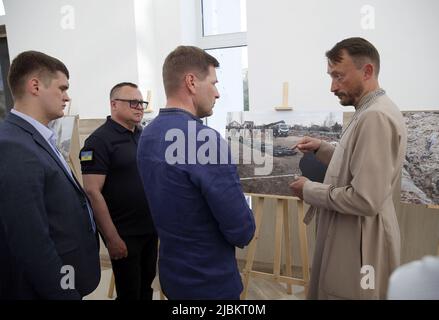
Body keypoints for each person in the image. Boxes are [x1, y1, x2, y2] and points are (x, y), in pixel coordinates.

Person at [290, 37, 407, 299]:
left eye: (339, 76)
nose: (332, 87)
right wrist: (323, 148)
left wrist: (310, 189)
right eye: (331, 77)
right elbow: (359, 165)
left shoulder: (375, 116)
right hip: (355, 236)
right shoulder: (369, 109)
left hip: (361, 243)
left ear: (367, 71)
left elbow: (365, 199)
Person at [137, 46, 255, 299]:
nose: (218, 93)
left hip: (173, 275)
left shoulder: (148, 134)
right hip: (209, 282)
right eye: (213, 83)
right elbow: (241, 229)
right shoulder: (203, 140)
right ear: (191, 82)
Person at [0, 51, 100, 299]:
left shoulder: (37, 137)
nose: (67, 97)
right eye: (62, 88)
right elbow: (30, 241)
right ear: (35, 86)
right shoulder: (13, 145)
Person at [80, 82, 157, 300]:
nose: (139, 107)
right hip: (124, 233)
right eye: (133, 102)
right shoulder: (98, 141)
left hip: (149, 229)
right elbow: (92, 192)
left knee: (146, 287)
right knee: (130, 292)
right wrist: (112, 238)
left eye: (141, 102)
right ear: (114, 104)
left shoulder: (142, 135)